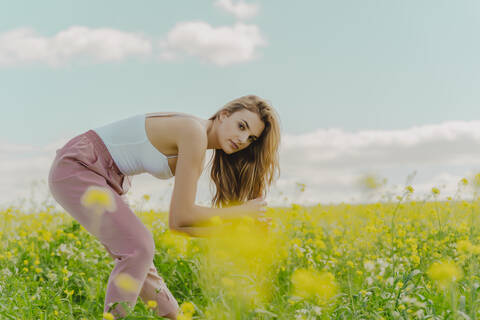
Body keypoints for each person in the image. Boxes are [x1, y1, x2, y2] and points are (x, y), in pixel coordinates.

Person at [47, 94, 281, 319]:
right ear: (223, 115)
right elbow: (185, 214)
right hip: (79, 166)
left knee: (139, 259)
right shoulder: (194, 133)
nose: (243, 139)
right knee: (139, 248)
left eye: (251, 138)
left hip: (105, 175)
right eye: (241, 126)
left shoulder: (197, 143)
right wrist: (240, 212)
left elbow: (179, 224)